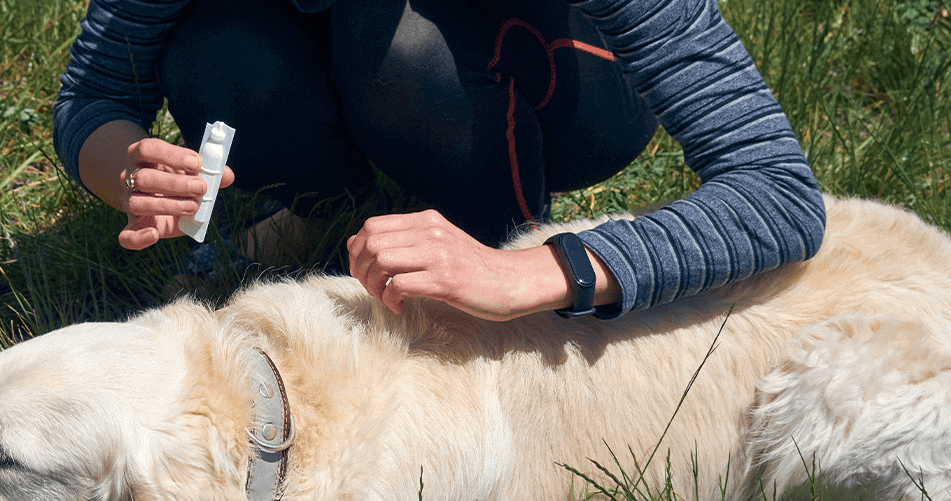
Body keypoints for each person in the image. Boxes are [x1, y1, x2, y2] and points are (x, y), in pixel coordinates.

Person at [53, 0, 827, 321]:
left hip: (563, 77)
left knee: (405, 58)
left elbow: (776, 194)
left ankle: (487, 228)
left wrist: (529, 273)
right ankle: (328, 201)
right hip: (358, 58)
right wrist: (129, 170)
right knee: (214, 52)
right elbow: (92, 98)